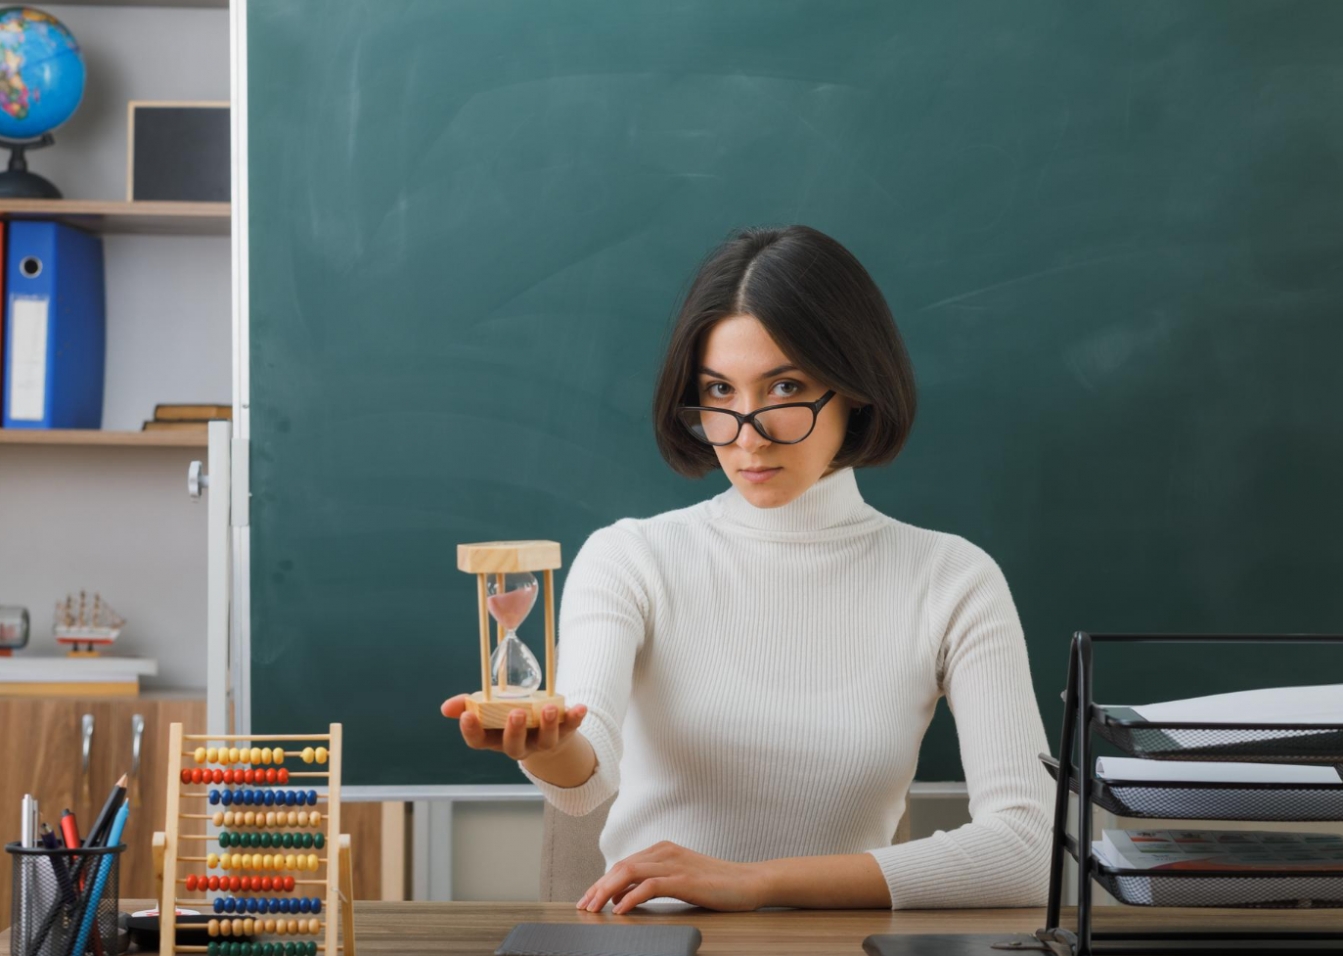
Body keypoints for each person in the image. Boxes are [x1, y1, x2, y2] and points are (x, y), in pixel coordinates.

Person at [441, 224, 1053, 914]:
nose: (746, 433)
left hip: (837, 946)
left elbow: (1030, 850)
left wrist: (755, 880)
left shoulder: (952, 579)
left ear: (856, 386)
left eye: (783, 386)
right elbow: (583, 779)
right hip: (655, 945)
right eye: (718, 394)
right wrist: (547, 744)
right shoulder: (631, 557)